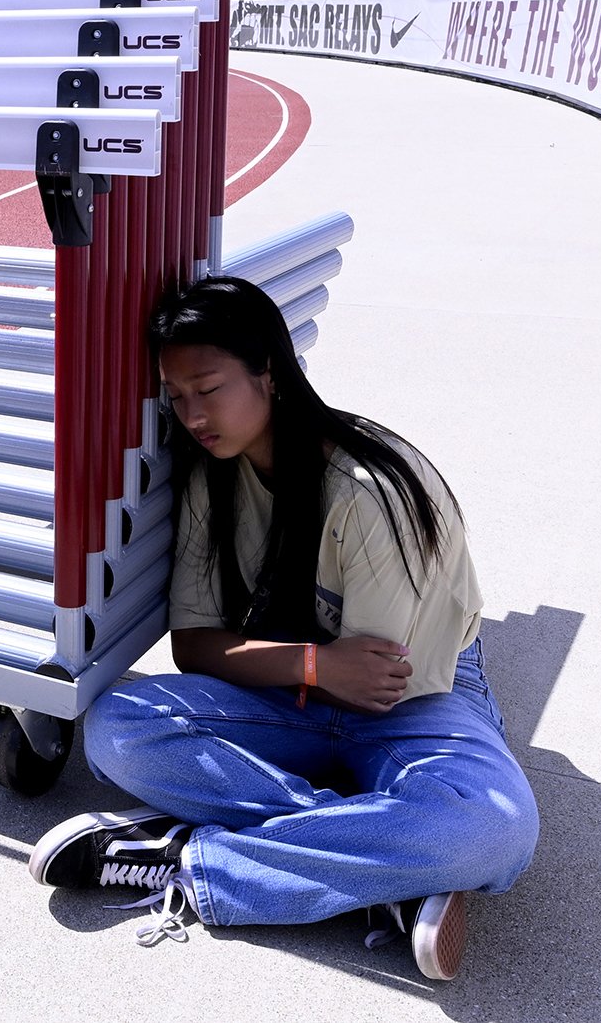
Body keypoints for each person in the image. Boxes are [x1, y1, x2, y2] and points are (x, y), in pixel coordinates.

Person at [29, 278, 539, 982]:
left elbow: (373, 688)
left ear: (268, 372)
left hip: (419, 697)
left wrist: (309, 669)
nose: (193, 414)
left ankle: (189, 859)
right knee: (118, 727)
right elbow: (195, 645)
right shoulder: (218, 475)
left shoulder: (370, 491)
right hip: (300, 687)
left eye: (208, 388)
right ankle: (381, 871)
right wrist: (312, 665)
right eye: (177, 397)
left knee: (497, 828)